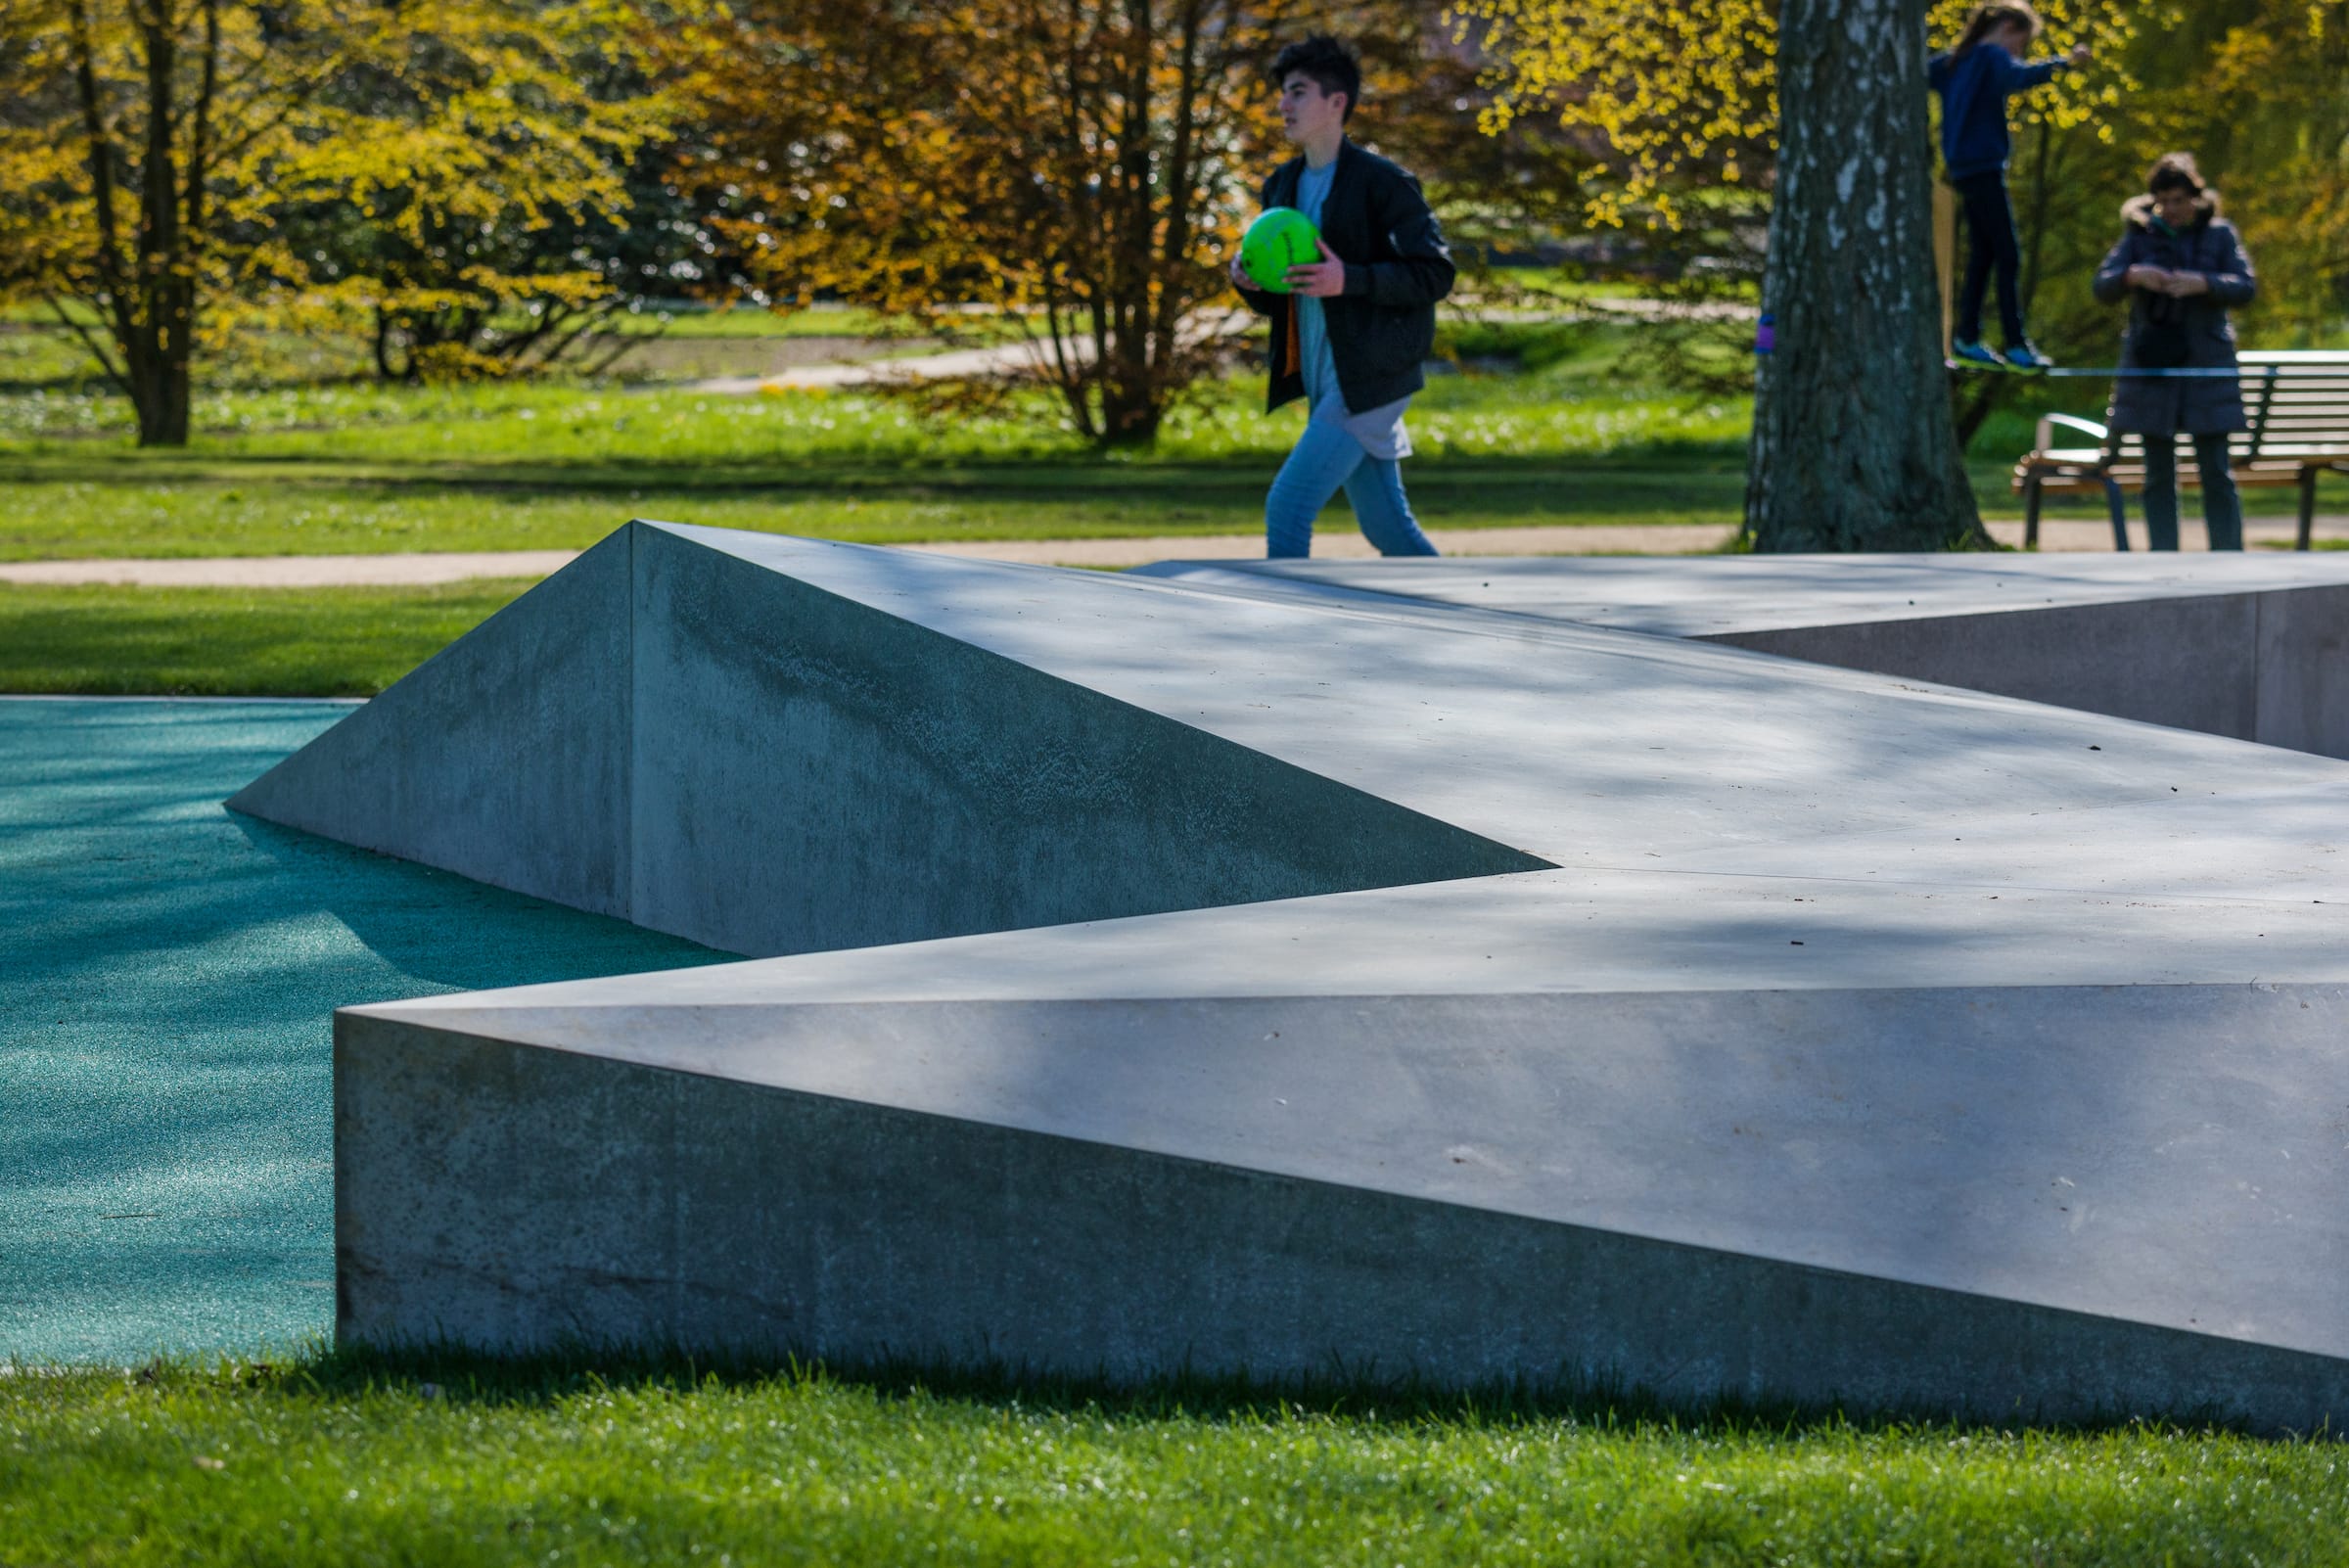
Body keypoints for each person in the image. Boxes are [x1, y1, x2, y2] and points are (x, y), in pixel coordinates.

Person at [1228, 35, 1454, 560]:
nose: (1283, 105)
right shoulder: (1281, 186)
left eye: (1298, 92)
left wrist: (1348, 279)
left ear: (1337, 102)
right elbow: (1288, 298)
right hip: (1322, 377)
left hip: (1371, 378)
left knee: (1287, 505)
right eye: (1284, 93)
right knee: (1387, 530)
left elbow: (1434, 274)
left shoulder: (1385, 183)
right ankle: (1468, 606)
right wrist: (1249, 282)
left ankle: (1283, 616)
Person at [2093, 153, 2258, 551]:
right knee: (2157, 475)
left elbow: (2245, 286)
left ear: (2195, 198)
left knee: (2215, 472)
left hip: (2206, 368)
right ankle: (2163, 560)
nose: (2171, 208)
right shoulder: (2139, 236)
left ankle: (2228, 557)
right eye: (2163, 200)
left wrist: (2204, 283)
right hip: (2154, 370)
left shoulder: (2219, 235)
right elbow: (2102, 285)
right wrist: (2133, 275)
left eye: (2179, 200)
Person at [1930, 4, 2091, 371]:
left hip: (1961, 169)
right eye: (2021, 42)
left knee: (1983, 254)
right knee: (2008, 253)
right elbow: (2019, 77)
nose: (2019, 51)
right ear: (2007, 27)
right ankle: (2015, 343)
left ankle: (1966, 337)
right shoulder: (1991, 55)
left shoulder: (1955, 60)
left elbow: (1920, 74)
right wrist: (2065, 63)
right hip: (1984, 167)